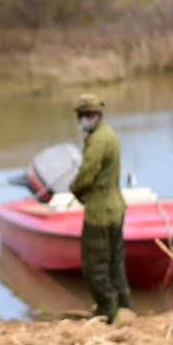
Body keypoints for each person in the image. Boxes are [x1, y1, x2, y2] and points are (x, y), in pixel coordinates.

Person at [68, 93, 131, 324]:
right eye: (82, 115)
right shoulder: (109, 134)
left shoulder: (97, 141)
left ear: (98, 115)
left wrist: (74, 188)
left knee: (95, 265)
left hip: (100, 212)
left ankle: (107, 312)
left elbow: (87, 173)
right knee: (115, 261)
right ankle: (124, 307)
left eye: (89, 114)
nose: (85, 119)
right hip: (116, 207)